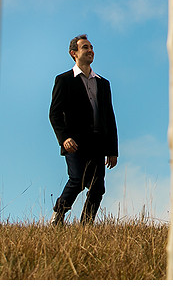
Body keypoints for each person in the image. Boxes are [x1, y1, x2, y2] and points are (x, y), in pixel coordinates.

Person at [49, 34, 118, 225]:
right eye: (85, 47)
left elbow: (109, 117)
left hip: (98, 143)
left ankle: (86, 227)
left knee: (97, 188)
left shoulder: (103, 83)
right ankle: (58, 214)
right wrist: (64, 138)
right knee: (77, 179)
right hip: (75, 142)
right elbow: (54, 114)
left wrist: (112, 150)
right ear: (74, 53)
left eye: (91, 47)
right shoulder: (64, 80)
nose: (90, 51)